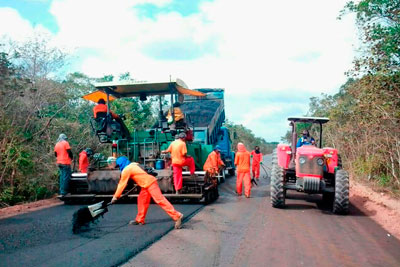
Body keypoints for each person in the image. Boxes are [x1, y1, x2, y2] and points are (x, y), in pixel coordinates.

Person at [110, 156, 183, 229]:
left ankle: (177, 216)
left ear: (121, 164)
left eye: (119, 165)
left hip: (150, 183)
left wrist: (115, 197)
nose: (119, 167)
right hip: (145, 185)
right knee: (142, 200)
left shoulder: (127, 170)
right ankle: (140, 220)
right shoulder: (133, 165)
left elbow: (121, 184)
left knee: (160, 200)